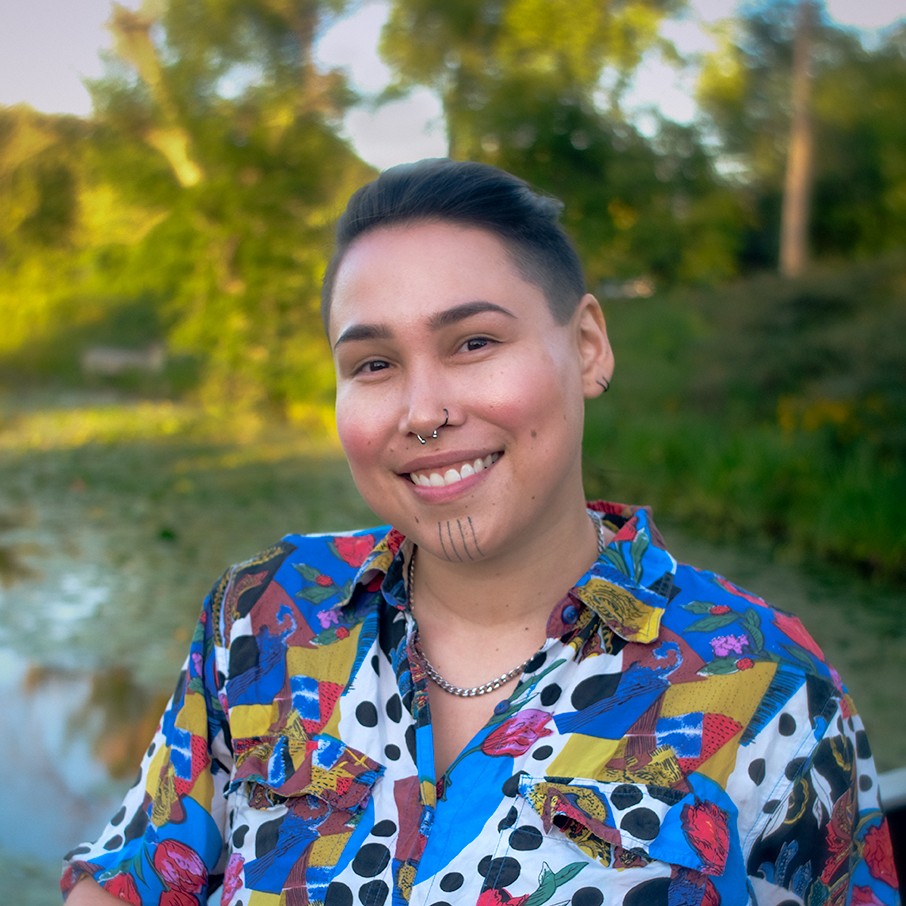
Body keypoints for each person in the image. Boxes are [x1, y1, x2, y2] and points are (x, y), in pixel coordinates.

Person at [62, 159, 899, 905]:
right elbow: (132, 876)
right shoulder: (264, 615)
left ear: (588, 346)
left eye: (473, 342)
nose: (425, 412)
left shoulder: (767, 689)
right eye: (374, 364)